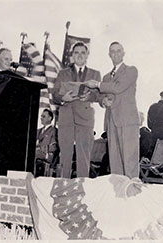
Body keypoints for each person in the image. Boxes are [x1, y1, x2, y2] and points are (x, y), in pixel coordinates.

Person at [84, 41, 140, 178]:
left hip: (127, 121)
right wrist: (102, 100)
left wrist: (97, 84)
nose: (116, 54)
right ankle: (119, 193)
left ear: (123, 53)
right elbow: (100, 96)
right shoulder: (106, 77)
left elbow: (118, 87)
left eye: (118, 51)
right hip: (111, 122)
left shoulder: (131, 70)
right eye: (113, 51)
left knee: (129, 160)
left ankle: (132, 192)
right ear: (109, 55)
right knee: (115, 162)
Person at [52, 42, 101, 178]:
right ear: (72, 56)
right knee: (65, 156)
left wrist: (90, 96)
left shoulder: (95, 74)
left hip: (85, 119)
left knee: (84, 156)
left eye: (82, 53)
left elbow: (99, 95)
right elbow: (55, 95)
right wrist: (63, 98)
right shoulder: (62, 74)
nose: (79, 55)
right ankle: (62, 187)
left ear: (87, 55)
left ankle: (82, 188)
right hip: (66, 117)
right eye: (76, 52)